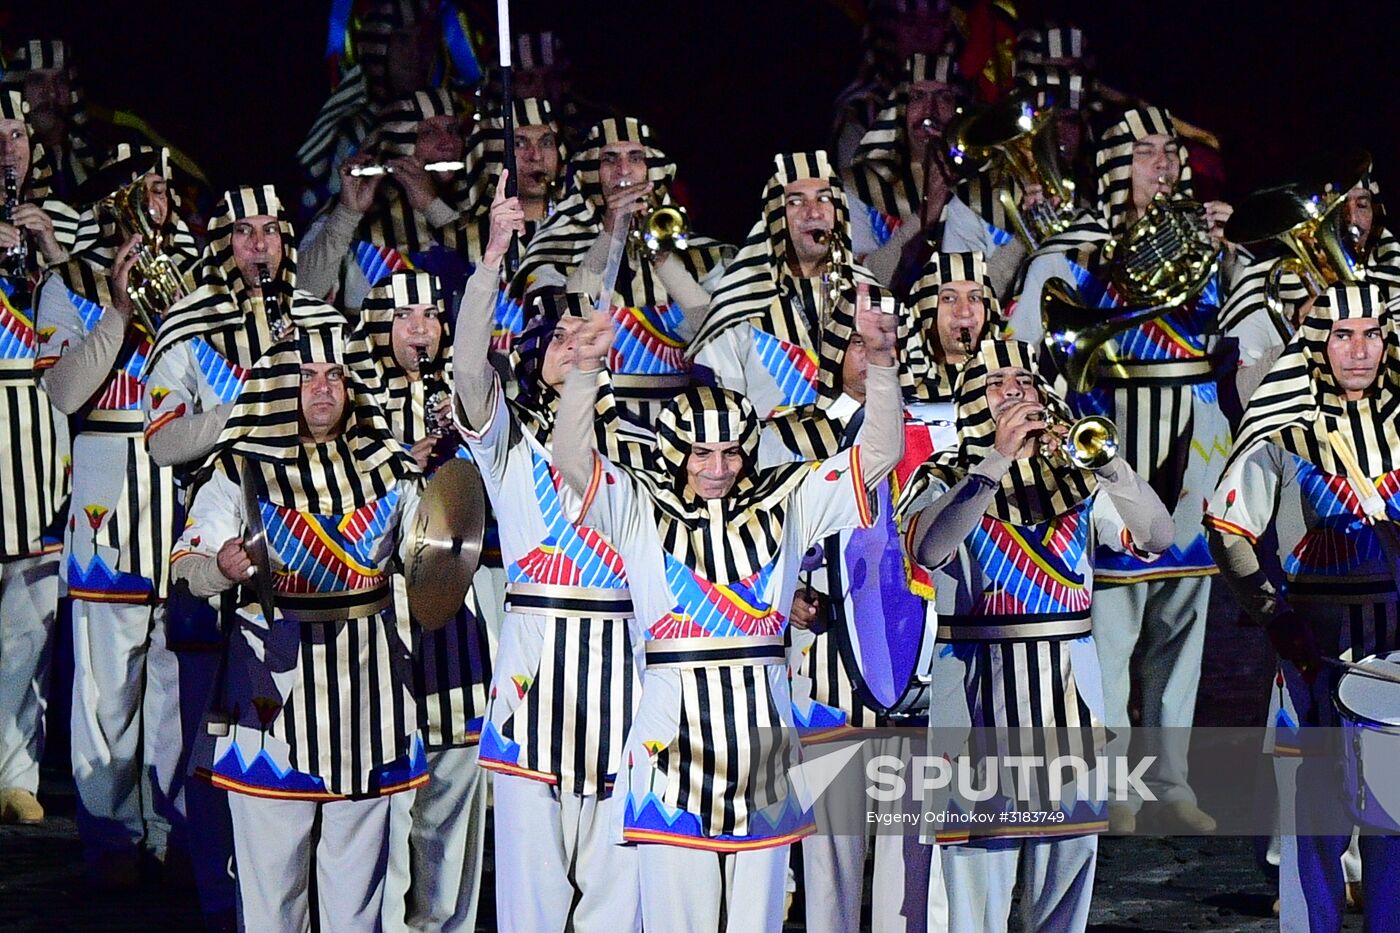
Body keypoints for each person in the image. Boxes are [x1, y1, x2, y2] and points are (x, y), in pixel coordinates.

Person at [549, 287, 904, 930]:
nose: (717, 468)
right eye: (702, 453)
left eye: (730, 452)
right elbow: (572, 461)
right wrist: (581, 376)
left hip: (763, 747)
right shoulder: (636, 504)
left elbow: (878, 454)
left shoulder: (789, 497)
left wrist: (882, 364)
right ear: (675, 450)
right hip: (669, 746)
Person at [1011, 106, 1242, 832]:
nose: (1164, 165)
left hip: (1196, 450)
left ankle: (1171, 781)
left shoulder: (1205, 248)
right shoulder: (1074, 251)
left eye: (1170, 152)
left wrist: (1226, 253)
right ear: (1114, 165)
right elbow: (1029, 347)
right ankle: (1112, 785)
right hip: (1111, 452)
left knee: (1182, 631)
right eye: (1145, 153)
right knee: (1109, 635)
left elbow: (1240, 334)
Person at [897, 338, 1172, 932]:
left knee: (1065, 892)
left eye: (1024, 378)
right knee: (976, 900)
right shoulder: (941, 477)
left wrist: (1109, 468)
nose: (1015, 390)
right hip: (976, 707)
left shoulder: (1077, 484)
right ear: (971, 397)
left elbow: (1157, 535)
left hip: (1071, 706)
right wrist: (994, 461)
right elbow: (930, 547)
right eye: (997, 382)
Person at [171, 324, 425, 931]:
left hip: (371, 699)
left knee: (357, 899)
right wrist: (221, 566)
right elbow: (186, 565)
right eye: (307, 376)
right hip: (269, 698)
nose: (321, 389)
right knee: (270, 897)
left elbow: (430, 560)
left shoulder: (390, 467)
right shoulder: (239, 465)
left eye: (333, 376)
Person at [453, 177, 651, 931]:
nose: (575, 344)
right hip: (531, 696)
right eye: (562, 337)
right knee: (530, 906)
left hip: (625, 700)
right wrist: (494, 256)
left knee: (615, 902)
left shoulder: (640, 454)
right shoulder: (512, 449)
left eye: (588, 336)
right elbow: (470, 371)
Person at [1205, 282, 1400, 932]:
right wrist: (1274, 616)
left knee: (1394, 843)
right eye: (1342, 333)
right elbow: (1227, 525)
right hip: (1311, 663)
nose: (1358, 349)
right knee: (1312, 846)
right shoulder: (1285, 425)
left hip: (1395, 660)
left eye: (1371, 332)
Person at [33, 145, 198, 884]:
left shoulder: (195, 273)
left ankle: (173, 830)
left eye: (164, 189)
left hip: (181, 494)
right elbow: (66, 391)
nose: (159, 202)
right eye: (145, 190)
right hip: (109, 498)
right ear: (112, 204)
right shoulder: (65, 283)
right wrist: (122, 314)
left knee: (174, 681)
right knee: (107, 685)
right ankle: (109, 837)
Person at [349, 269, 493, 932]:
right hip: (383, 631)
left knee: (456, 796)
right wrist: (402, 461)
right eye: (405, 315)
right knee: (389, 803)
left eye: (431, 316)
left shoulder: (468, 396)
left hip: (460, 632)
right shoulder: (350, 392)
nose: (420, 328)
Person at [512, 116, 729, 426]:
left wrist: (660, 256)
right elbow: (553, 320)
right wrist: (610, 233)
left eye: (636, 158)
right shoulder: (555, 240)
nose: (624, 171)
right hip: (587, 415)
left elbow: (715, 331)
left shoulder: (699, 252)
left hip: (675, 422)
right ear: (591, 173)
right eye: (609, 160)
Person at [142, 185, 343, 473]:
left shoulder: (322, 321)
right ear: (223, 242)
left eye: (270, 230)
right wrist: (257, 401)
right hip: (220, 496)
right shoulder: (187, 324)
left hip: (309, 497)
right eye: (244, 231)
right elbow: (162, 446)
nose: (259, 245)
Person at [0, 87, 76, 827]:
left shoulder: (64, 225)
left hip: (39, 435)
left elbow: (96, 328)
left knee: (29, 628)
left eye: (17, 133)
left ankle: (16, 771)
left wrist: (51, 250)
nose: (8, 147)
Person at [689, 151, 882, 421]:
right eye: (795, 202)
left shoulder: (869, 292)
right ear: (775, 215)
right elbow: (724, 406)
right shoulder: (739, 298)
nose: (813, 212)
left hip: (860, 455)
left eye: (824, 199)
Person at [299, 88, 472, 311]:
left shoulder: (475, 205)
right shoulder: (350, 211)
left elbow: (492, 286)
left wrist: (433, 207)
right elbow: (304, 292)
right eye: (429, 132)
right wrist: (347, 214)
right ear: (400, 140)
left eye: (452, 130)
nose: (448, 142)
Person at [2, 39, 99, 200]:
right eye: (38, 80)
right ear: (19, 88)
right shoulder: (7, 164)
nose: (52, 93)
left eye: (61, 80)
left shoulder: (94, 158)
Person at [903, 251, 1006, 403]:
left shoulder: (1018, 382)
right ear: (924, 310)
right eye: (949, 298)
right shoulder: (897, 388)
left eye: (974, 298)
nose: (964, 311)